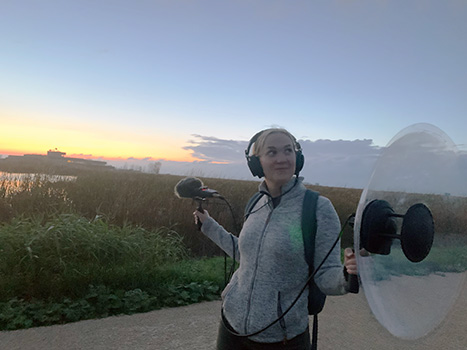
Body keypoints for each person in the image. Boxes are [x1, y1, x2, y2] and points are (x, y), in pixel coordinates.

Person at [193, 128, 357, 350]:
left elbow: (326, 275)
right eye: (271, 152)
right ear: (257, 162)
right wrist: (209, 226)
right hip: (231, 325)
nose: (282, 159)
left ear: (297, 158)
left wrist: (347, 276)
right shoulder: (256, 203)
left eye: (287, 151)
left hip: (282, 338)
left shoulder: (317, 209)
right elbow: (246, 256)